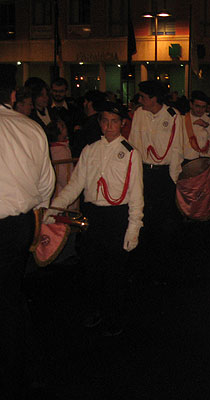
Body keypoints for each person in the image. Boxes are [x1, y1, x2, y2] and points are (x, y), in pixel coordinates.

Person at [46, 102, 143, 335]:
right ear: (99, 122)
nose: (109, 126)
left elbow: (136, 195)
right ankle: (94, 309)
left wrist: (134, 228)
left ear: (122, 124)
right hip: (93, 215)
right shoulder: (90, 150)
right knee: (90, 268)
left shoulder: (131, 153)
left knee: (115, 272)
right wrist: (55, 207)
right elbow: (75, 185)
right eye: (105, 120)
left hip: (116, 217)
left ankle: (114, 315)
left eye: (114, 121)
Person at [0, 73, 55, 397]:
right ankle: (19, 372)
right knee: (10, 299)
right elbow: (45, 186)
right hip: (17, 225)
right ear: (11, 94)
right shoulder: (29, 128)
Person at [128, 80, 184, 284]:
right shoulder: (140, 114)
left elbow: (177, 149)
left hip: (163, 176)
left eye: (143, 96)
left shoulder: (173, 116)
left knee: (164, 222)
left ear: (153, 98)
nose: (140, 100)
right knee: (143, 217)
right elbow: (133, 143)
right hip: (143, 172)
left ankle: (164, 267)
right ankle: (143, 264)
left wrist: (174, 179)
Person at [183, 90, 210, 163]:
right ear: (191, 104)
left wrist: (207, 127)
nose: (200, 110)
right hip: (187, 162)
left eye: (203, 107)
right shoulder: (182, 120)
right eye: (197, 106)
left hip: (205, 162)